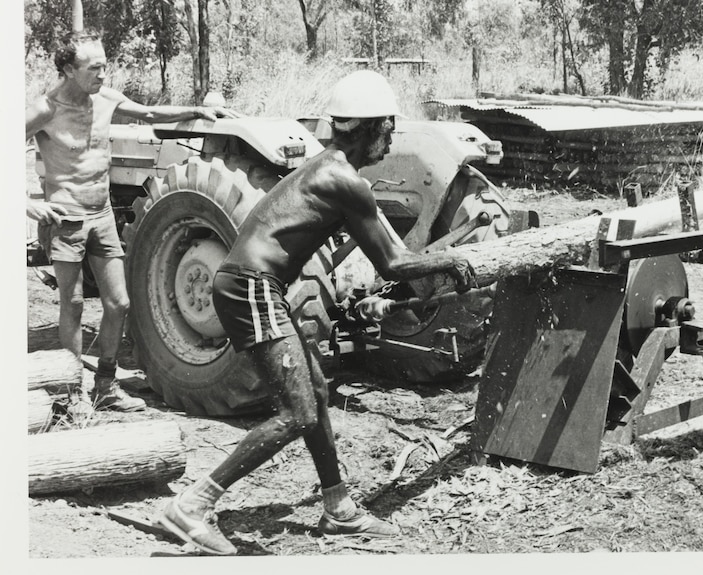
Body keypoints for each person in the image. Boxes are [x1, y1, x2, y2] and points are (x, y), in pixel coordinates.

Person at [156, 69, 476, 555]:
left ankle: (339, 508)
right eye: (388, 129)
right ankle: (194, 505)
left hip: (256, 286)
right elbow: (394, 262)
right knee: (296, 413)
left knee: (316, 392)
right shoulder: (346, 181)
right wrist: (450, 260)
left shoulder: (328, 168)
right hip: (252, 288)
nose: (390, 141)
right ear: (368, 128)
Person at [25, 30, 237, 415]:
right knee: (71, 305)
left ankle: (105, 386)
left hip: (102, 216)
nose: (103, 75)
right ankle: (70, 395)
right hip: (66, 220)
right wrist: (25, 203)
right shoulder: (46, 109)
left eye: (105, 66)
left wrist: (197, 111)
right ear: (69, 69)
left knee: (119, 302)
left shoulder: (104, 100)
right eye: (94, 68)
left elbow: (151, 113)